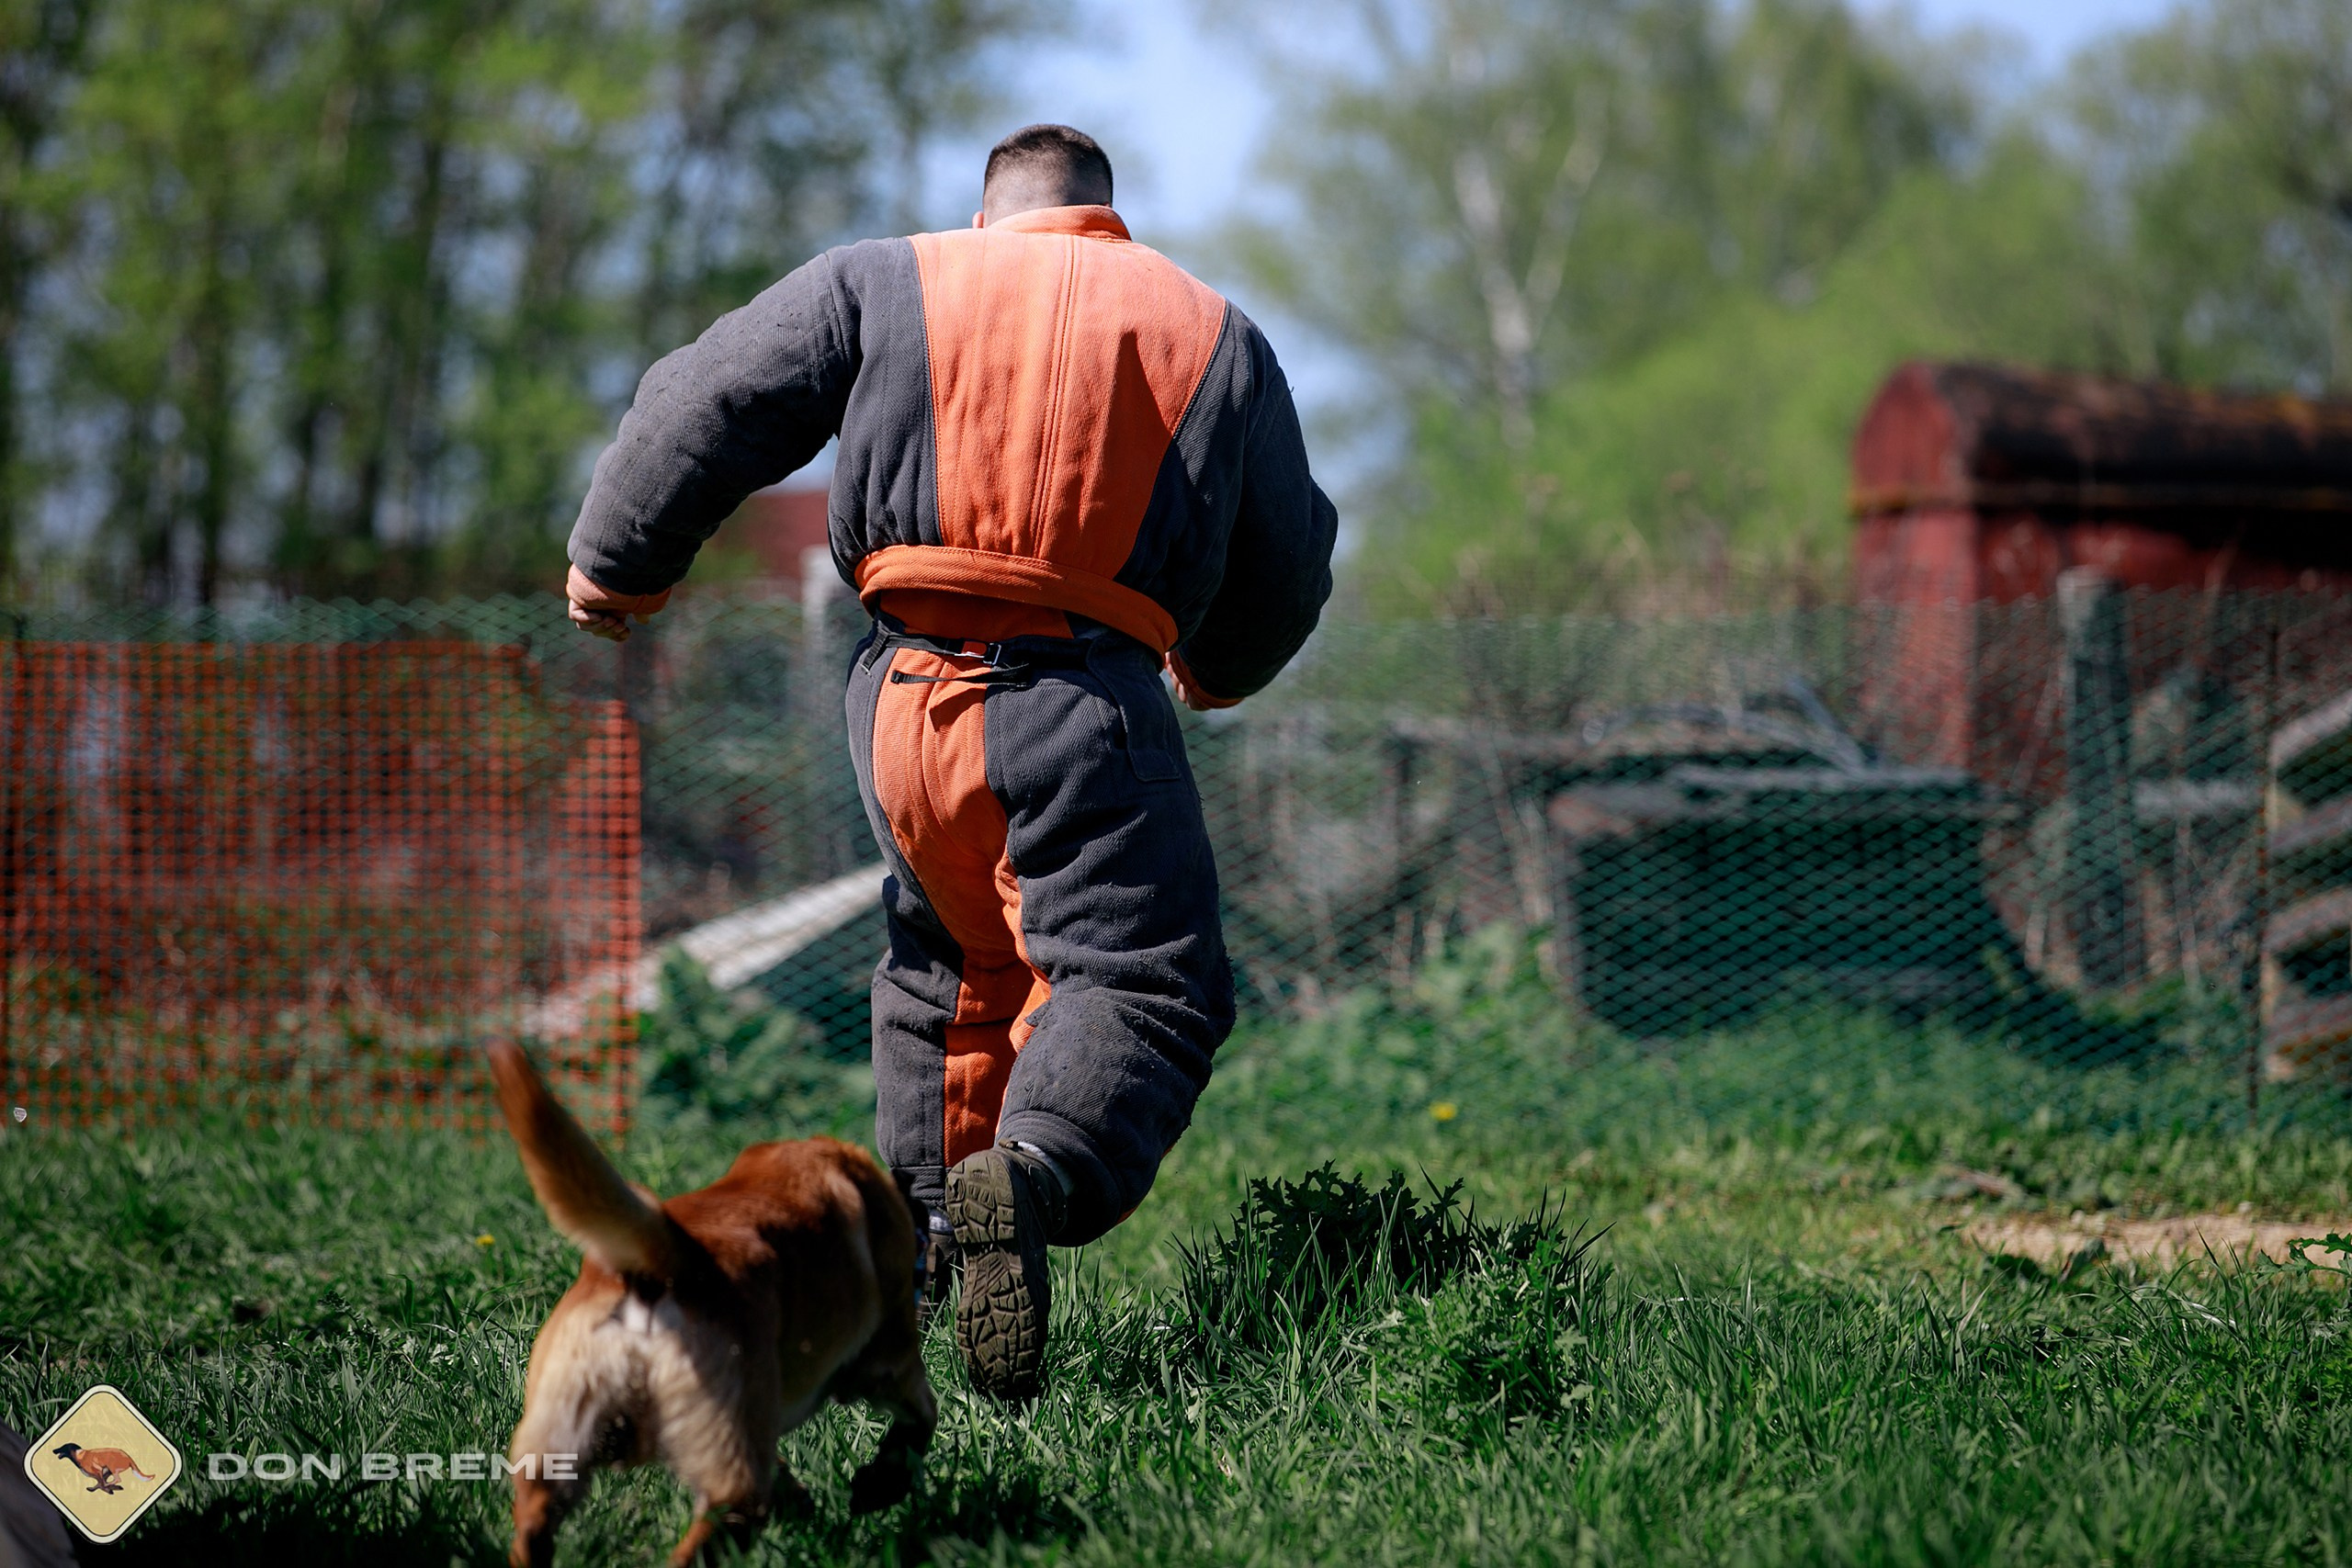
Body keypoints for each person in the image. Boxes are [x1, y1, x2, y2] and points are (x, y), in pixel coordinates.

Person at [563, 123, 1337, 1402]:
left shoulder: (886, 279)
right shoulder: (1208, 331)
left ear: (986, 219)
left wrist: (618, 557)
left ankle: (922, 1262)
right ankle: (1024, 1177)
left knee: (951, 969)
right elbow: (1287, 556)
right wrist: (1217, 671)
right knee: (1142, 978)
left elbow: (709, 390)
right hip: (1077, 698)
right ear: (1110, 220)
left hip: (899, 706)